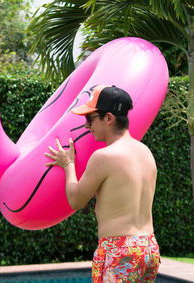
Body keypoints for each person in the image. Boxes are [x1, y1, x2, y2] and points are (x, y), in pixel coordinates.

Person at [45, 85, 160, 282]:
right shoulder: (145, 152)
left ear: (108, 118)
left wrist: (68, 164)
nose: (86, 126)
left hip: (120, 249)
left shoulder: (103, 156)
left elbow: (75, 200)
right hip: (148, 247)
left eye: (90, 119)